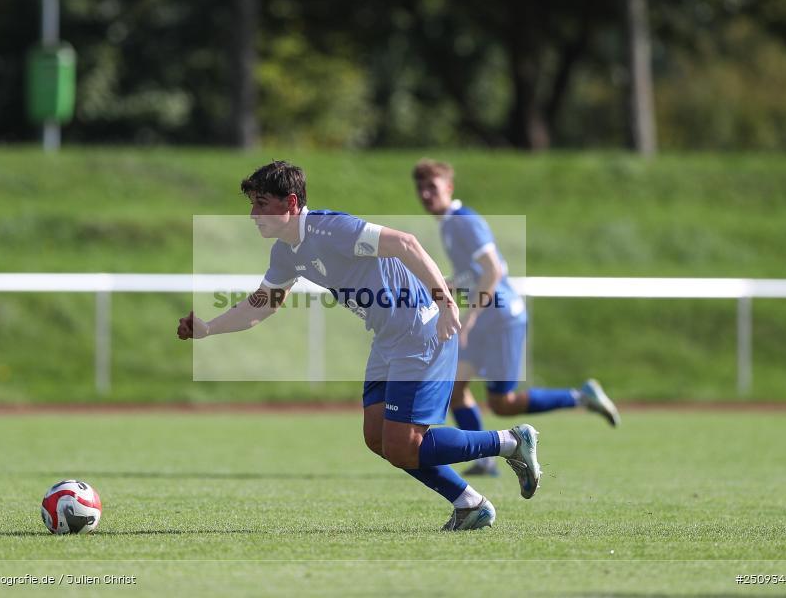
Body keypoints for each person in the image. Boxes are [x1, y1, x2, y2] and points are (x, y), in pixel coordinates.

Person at [178, 161, 542, 531]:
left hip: (420, 331)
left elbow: (406, 243)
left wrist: (447, 303)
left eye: (261, 203)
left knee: (404, 444)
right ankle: (470, 503)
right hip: (388, 338)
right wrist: (208, 328)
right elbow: (264, 304)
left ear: (290, 202)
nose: (253, 214)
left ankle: (510, 441)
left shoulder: (331, 228)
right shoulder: (286, 252)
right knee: (377, 438)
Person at [412, 159, 620, 477]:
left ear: (449, 188)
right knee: (455, 388)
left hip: (501, 318)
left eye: (432, 187)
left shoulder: (464, 220)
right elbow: (476, 273)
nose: (426, 195)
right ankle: (484, 460)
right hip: (486, 319)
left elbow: (494, 270)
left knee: (503, 403)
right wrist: (446, 285)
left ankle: (581, 397)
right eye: (421, 189)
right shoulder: (449, 223)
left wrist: (470, 317)